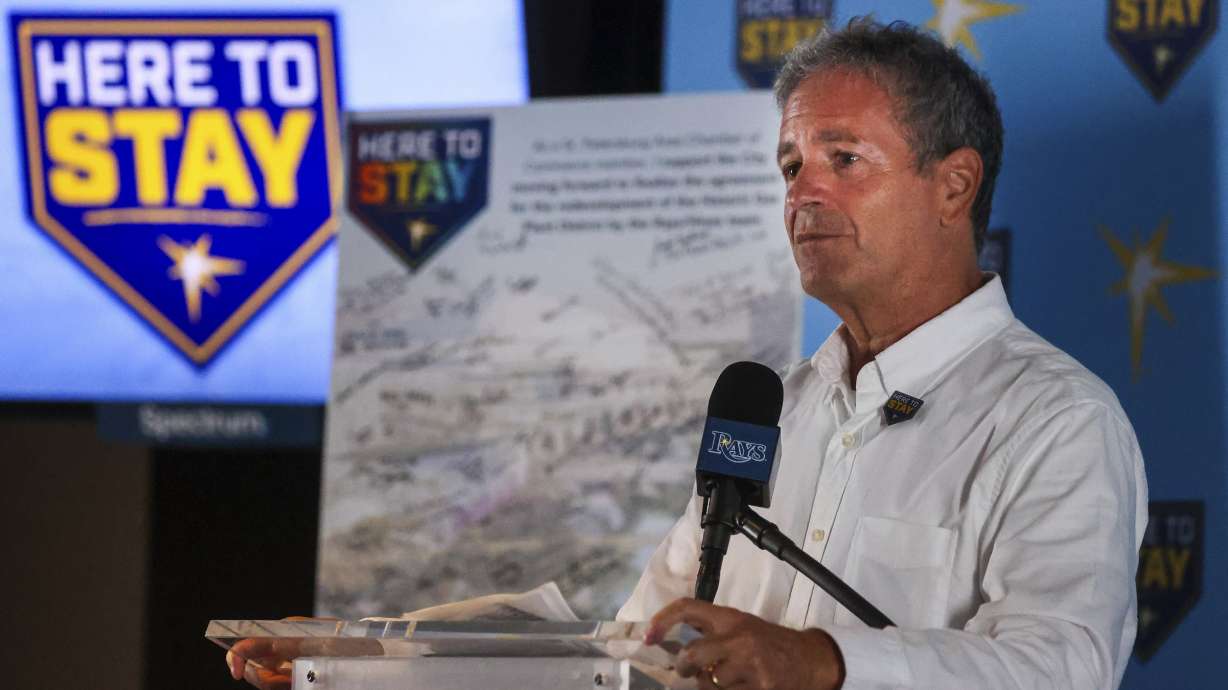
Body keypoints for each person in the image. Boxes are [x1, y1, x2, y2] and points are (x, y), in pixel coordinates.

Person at [621, 18, 1147, 690]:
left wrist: (818, 661)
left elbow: (1061, 667)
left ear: (953, 186)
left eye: (843, 159)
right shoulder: (770, 410)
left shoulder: (1058, 420)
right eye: (791, 166)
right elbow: (648, 633)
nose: (802, 193)